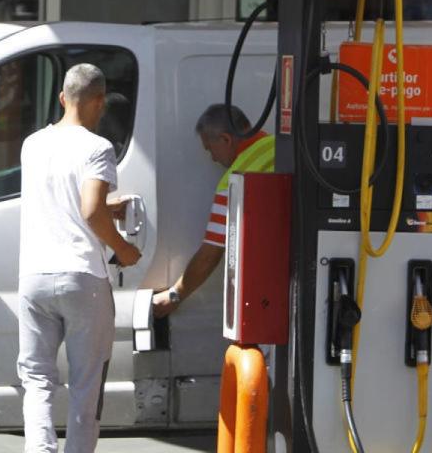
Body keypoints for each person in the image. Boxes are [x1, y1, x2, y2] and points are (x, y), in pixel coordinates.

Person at [17, 63, 142, 453]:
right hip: (83, 276)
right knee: (86, 385)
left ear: (62, 98)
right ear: (100, 101)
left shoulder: (32, 144)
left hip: (35, 275)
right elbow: (89, 211)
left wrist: (106, 208)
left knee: (37, 379)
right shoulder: (98, 148)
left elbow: (62, 199)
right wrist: (123, 249)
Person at [152, 104, 275, 317]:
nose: (213, 158)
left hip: (267, 290)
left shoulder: (234, 181)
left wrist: (174, 296)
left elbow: (209, 255)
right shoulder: (280, 146)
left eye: (210, 149)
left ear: (226, 139)